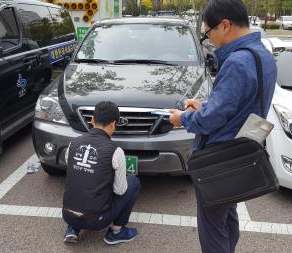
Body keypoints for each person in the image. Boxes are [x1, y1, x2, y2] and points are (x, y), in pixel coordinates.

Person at [168, 0, 277, 252]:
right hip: (240, 150)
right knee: (228, 211)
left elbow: (210, 120)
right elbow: (240, 103)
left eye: (208, 32)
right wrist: (205, 104)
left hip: (219, 157)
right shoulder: (262, 55)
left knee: (212, 223)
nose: (209, 39)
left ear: (225, 25)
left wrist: (182, 118)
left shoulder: (237, 62)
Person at [62, 101, 141, 245]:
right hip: (96, 221)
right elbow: (120, 190)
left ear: (92, 120)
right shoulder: (115, 151)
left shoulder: (73, 144)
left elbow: (74, 170)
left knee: (81, 179)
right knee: (133, 182)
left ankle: (73, 228)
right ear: (113, 125)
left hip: (67, 215)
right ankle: (116, 232)